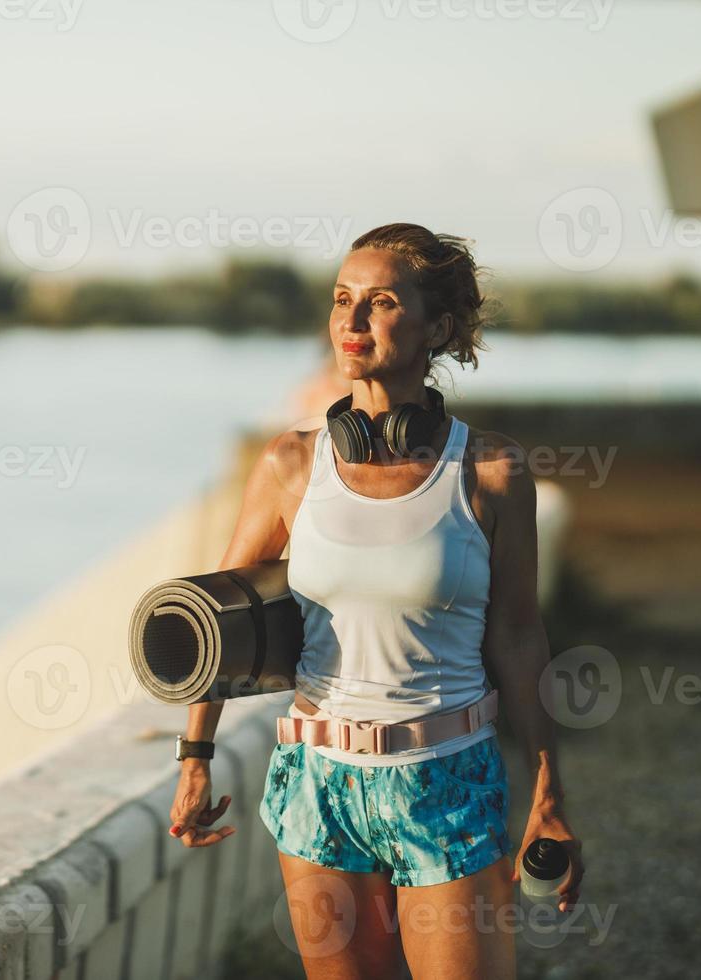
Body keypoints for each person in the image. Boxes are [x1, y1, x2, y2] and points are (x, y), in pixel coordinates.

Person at [167, 223, 583, 979]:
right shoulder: (290, 465)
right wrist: (194, 758)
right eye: (341, 300)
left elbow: (520, 638)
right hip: (318, 782)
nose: (351, 322)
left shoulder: (489, 472)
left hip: (447, 778)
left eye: (380, 302)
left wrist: (550, 787)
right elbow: (216, 626)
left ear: (440, 329)